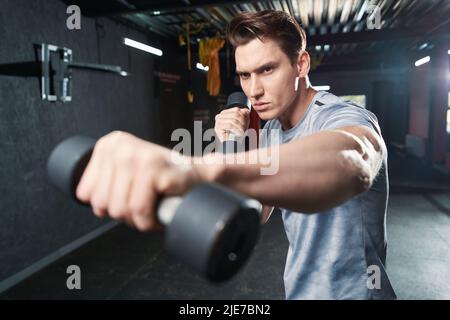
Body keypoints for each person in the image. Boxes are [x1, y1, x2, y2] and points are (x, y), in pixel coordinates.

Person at [75, 10, 396, 300]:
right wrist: (232, 144)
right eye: (245, 75)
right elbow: (258, 213)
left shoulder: (341, 115)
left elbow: (355, 158)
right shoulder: (271, 131)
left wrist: (197, 169)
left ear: (301, 64)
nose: (253, 90)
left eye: (267, 69)